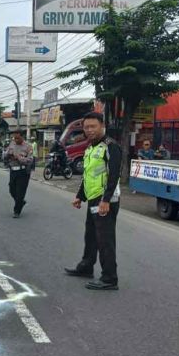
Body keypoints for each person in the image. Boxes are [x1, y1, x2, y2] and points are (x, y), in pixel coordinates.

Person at [65, 112, 122, 291]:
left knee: (105, 239)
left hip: (106, 199)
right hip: (93, 198)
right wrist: (80, 196)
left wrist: (106, 200)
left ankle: (109, 278)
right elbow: (88, 175)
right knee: (91, 235)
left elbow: (114, 175)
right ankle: (86, 266)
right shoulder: (91, 148)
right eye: (86, 127)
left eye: (93, 126)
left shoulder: (110, 146)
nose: (89, 130)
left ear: (102, 126)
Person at [5, 130, 33, 218]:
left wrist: (19, 158)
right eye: (14, 138)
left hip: (23, 172)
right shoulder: (12, 144)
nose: (15, 140)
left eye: (17, 138)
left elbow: (30, 160)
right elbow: (5, 154)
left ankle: (17, 211)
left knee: (20, 192)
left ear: (22, 137)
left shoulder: (28, 146)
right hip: (13, 170)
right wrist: (7, 155)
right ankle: (21, 202)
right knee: (11, 189)